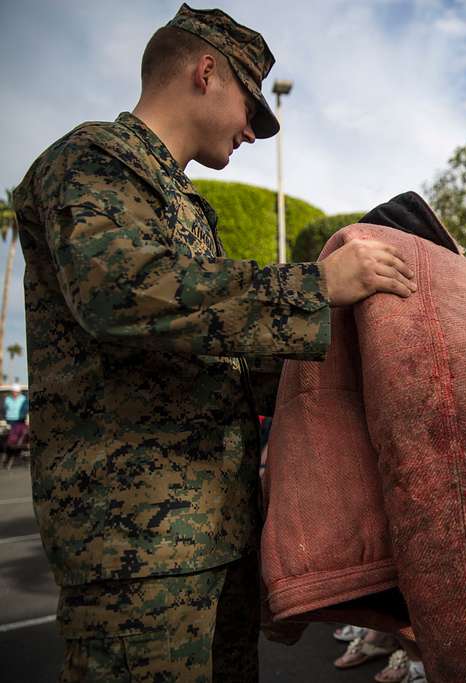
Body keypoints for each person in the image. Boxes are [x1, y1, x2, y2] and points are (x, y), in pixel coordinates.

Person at [11, 6, 414, 681]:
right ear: (206, 72)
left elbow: (207, 355)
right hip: (137, 550)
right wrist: (314, 286)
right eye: (251, 107)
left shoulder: (184, 202)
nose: (253, 132)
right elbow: (125, 293)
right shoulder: (93, 160)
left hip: (210, 538)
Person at [1, 384, 29, 468]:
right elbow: (4, 409)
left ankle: (14, 457)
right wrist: (5, 418)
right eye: (14, 392)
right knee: (10, 440)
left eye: (16, 392)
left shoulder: (23, 399)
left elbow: (24, 409)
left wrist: (22, 417)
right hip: (9, 421)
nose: (15, 393)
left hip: (19, 421)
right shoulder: (8, 399)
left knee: (17, 439)